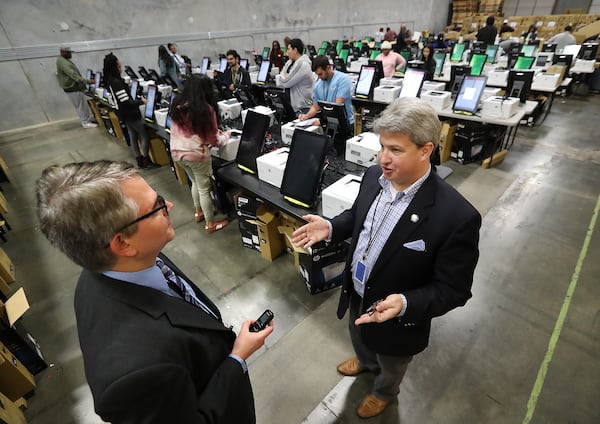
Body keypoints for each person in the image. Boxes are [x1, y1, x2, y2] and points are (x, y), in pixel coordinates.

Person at [36, 160, 274, 423]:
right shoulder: (137, 375)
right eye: (157, 207)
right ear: (122, 243)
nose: (169, 206)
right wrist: (237, 357)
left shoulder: (117, 264)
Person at [291, 97, 481, 419]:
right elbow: (358, 216)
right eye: (382, 146)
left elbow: (454, 290)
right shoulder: (372, 178)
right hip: (357, 293)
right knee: (359, 336)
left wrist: (405, 303)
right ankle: (366, 363)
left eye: (395, 149)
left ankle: (384, 393)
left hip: (397, 319)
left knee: (392, 364)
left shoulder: (456, 217)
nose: (383, 158)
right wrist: (332, 227)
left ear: (426, 150)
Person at [170, 75, 230, 233]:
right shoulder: (205, 110)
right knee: (204, 189)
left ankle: (199, 212)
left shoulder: (177, 104)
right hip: (196, 154)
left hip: (177, 152)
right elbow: (214, 140)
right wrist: (227, 136)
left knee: (194, 182)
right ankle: (210, 224)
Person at [102, 53, 160, 170]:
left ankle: (139, 160)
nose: (120, 65)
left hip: (123, 114)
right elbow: (126, 102)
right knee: (144, 135)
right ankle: (146, 160)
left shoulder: (109, 80)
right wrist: (141, 101)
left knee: (133, 135)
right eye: (118, 64)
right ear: (114, 66)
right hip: (130, 113)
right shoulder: (116, 82)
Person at [298, 55, 353, 128]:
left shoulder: (343, 80)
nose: (319, 77)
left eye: (320, 74)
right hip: (329, 123)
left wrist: (322, 121)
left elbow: (337, 107)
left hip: (345, 124)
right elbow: (315, 107)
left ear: (328, 68)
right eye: (317, 75)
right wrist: (306, 116)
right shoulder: (318, 85)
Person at [56, 47, 98, 128]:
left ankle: (87, 120)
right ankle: (85, 122)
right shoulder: (64, 63)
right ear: (63, 52)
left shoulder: (62, 60)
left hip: (72, 88)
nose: (70, 54)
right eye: (69, 53)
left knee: (81, 105)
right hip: (73, 88)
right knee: (81, 106)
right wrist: (89, 81)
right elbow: (74, 76)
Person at [275, 38, 314, 116]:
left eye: (289, 49)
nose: (287, 52)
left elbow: (286, 83)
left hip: (303, 108)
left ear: (295, 50)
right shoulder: (289, 62)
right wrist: (284, 77)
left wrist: (284, 77)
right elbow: (279, 81)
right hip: (294, 107)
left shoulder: (302, 64)